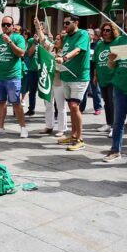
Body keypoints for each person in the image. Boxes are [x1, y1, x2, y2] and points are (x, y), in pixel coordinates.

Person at [0, 16, 28, 138]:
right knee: (1, 102)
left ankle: (23, 128)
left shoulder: (18, 37)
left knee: (16, 102)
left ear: (13, 25)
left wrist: (9, 42)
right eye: (4, 24)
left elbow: (21, 53)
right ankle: (0, 127)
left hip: (13, 76)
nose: (5, 27)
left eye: (8, 24)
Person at [55, 14, 90, 151]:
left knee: (75, 106)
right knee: (71, 106)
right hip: (66, 76)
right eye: (64, 23)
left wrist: (64, 58)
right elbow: (65, 50)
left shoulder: (83, 34)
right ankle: (73, 135)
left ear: (76, 22)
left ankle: (80, 139)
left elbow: (77, 50)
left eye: (67, 23)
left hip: (79, 77)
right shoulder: (67, 37)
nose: (65, 25)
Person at [104, 9, 127, 162]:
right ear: (126, 23)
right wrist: (111, 60)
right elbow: (111, 66)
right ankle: (115, 149)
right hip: (120, 87)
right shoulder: (120, 41)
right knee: (118, 121)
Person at [94, 22, 119, 137]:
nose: (105, 32)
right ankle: (109, 123)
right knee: (106, 103)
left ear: (113, 31)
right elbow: (96, 62)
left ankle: (115, 126)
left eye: (108, 30)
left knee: (113, 102)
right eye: (103, 30)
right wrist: (95, 76)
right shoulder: (99, 44)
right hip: (102, 77)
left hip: (113, 78)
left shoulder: (117, 43)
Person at [80, 29, 103, 115]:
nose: (87, 35)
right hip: (84, 70)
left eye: (88, 34)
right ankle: (81, 108)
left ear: (93, 36)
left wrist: (96, 74)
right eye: (86, 33)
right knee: (84, 90)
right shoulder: (83, 44)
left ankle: (97, 108)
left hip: (94, 70)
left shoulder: (97, 45)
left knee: (95, 89)